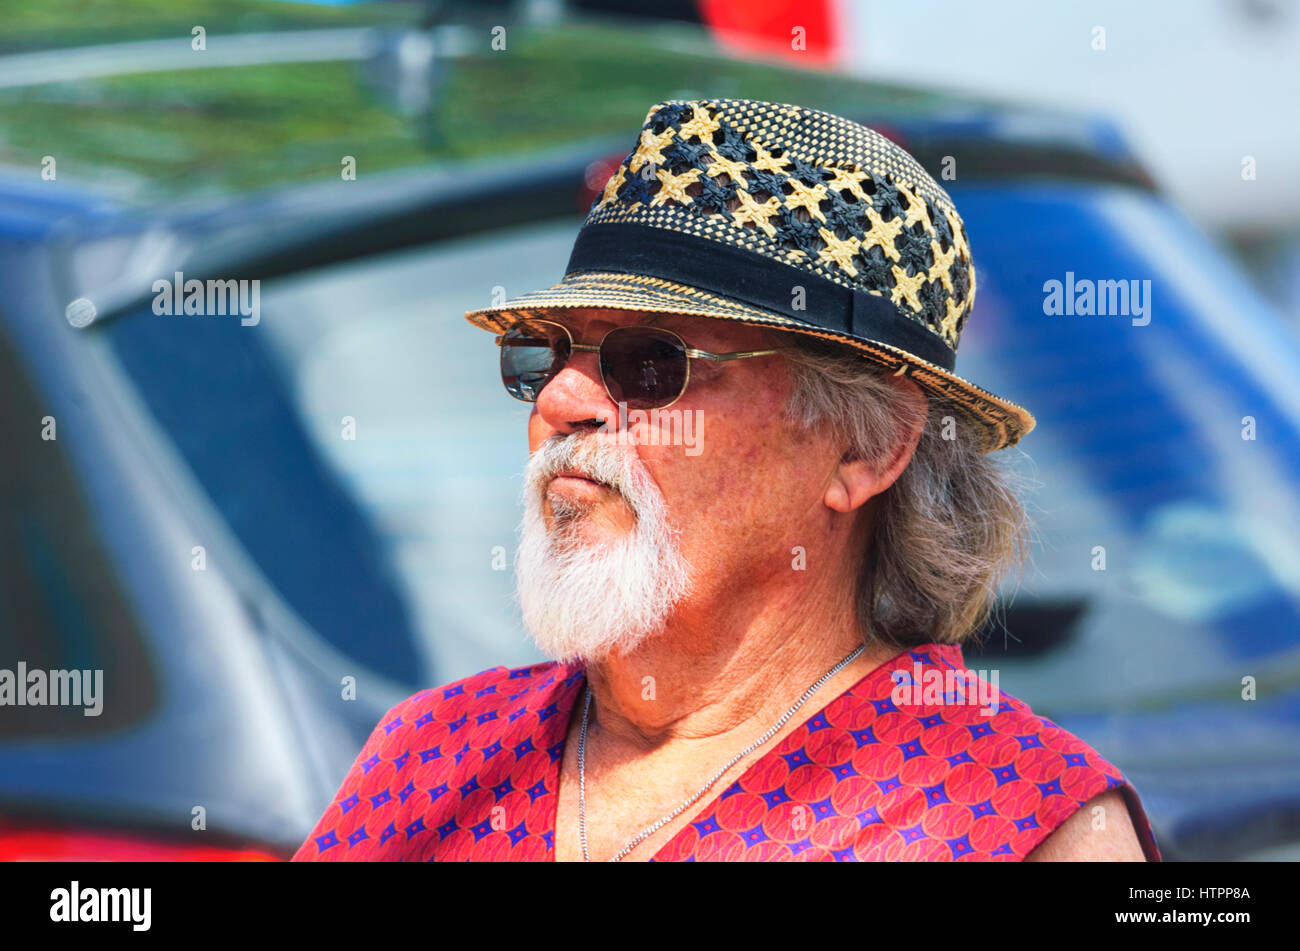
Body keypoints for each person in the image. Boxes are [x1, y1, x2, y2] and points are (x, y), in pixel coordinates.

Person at [294, 98, 1161, 862]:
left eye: (651, 363)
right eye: (550, 351)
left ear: (866, 451)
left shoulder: (1013, 817)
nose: (562, 398)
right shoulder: (433, 753)